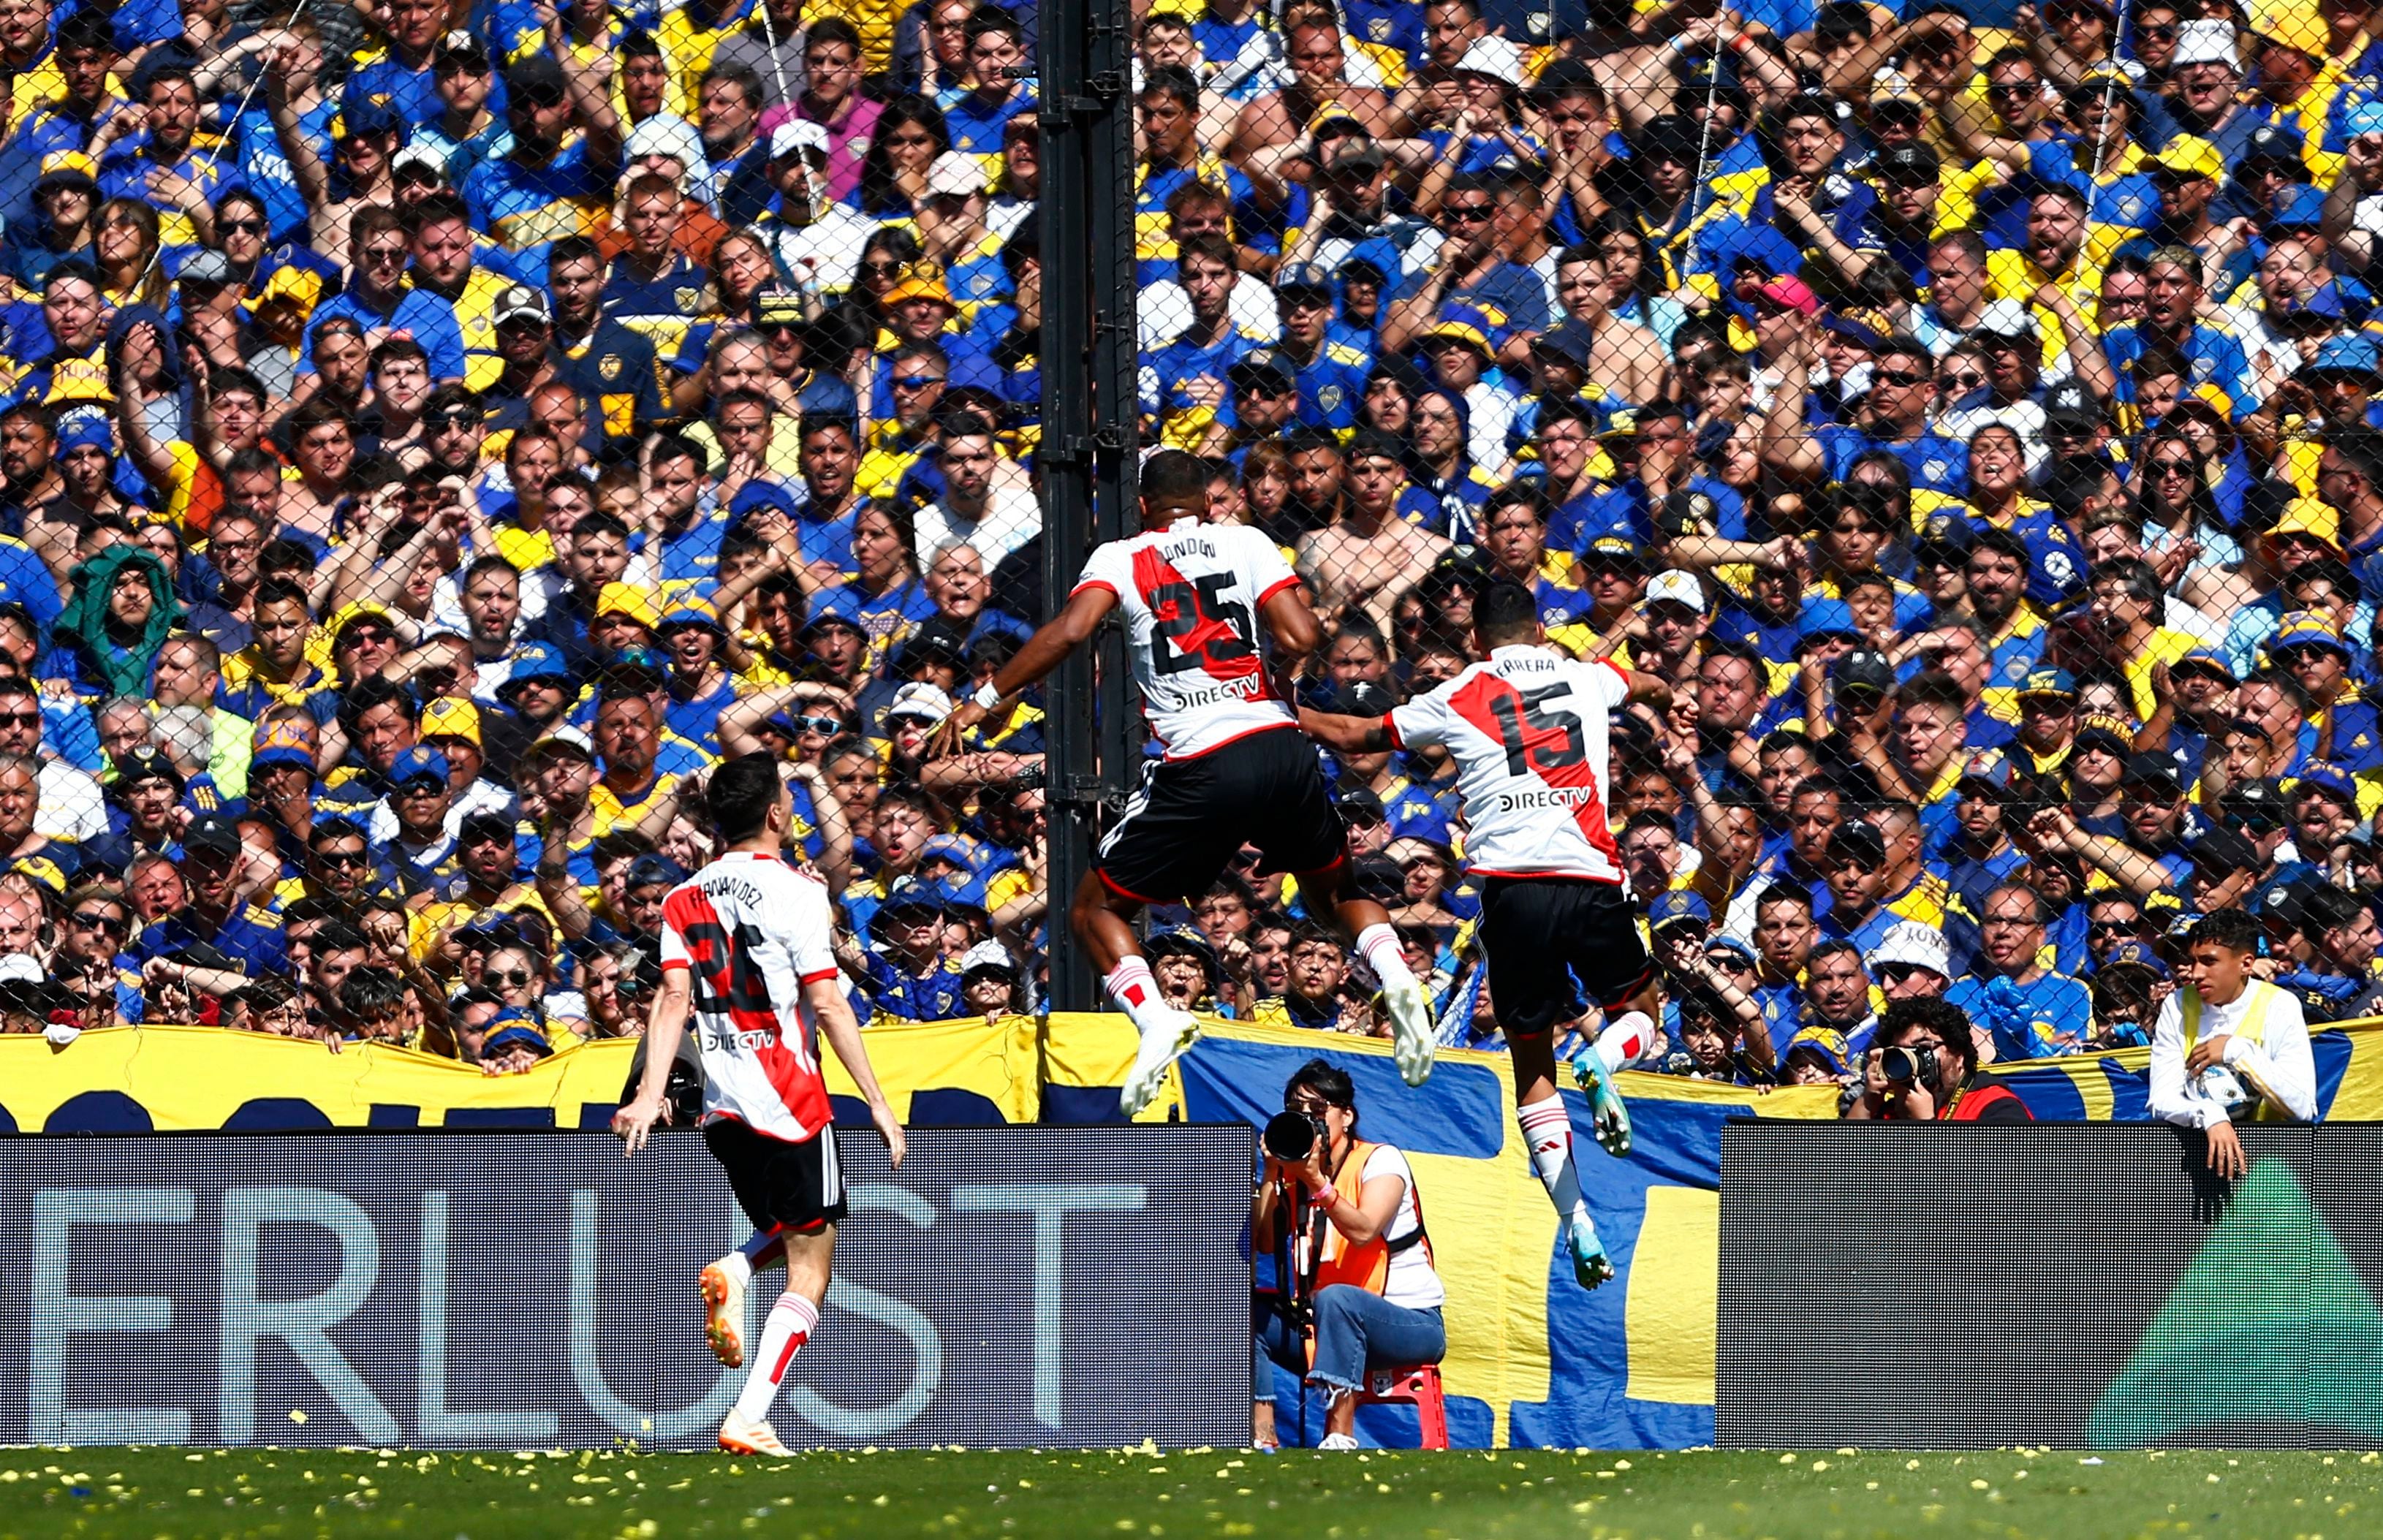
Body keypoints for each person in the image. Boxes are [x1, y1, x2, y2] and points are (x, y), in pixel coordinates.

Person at [929, 449, 1434, 1113]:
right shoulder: (1245, 539)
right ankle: (1395, 972)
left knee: (1092, 910)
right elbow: (1303, 631)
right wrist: (1276, 670)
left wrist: (986, 696)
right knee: (1331, 892)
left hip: (1202, 757)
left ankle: (1154, 1018)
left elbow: (1073, 630)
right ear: (1209, 503)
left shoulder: (1121, 555)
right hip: (1280, 743)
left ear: (1143, 506)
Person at [1296, 576, 1670, 1286]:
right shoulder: (1583, 677)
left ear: (1475, 640)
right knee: (1640, 1012)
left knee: (1532, 1071)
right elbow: (1638, 680)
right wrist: (1656, 690)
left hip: (1511, 895)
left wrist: (1294, 716)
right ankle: (1605, 1060)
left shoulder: (1460, 690)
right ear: (1538, 632)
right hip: (1588, 879)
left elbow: (1355, 732)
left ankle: (1574, 1220)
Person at [610, 751, 907, 1458]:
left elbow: (672, 999)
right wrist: (876, 1100)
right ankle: (749, 1413)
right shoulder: (799, 892)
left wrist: (652, 1094)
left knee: (794, 1226)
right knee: (813, 1262)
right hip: (791, 1096)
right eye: (788, 796)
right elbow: (829, 1003)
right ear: (776, 812)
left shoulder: (681, 897)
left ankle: (739, 1268)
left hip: (723, 1106)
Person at [1250, 1057, 1445, 1452]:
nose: (1308, 1121)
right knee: (1236, 1307)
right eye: (1296, 1112)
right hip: (1324, 1324)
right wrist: (1272, 1173)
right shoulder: (1294, 1172)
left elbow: (1362, 1230)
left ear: (1347, 1116)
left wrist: (1317, 1181)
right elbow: (1266, 1243)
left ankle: (1339, 1435)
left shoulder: (1380, 1161)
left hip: (1408, 1324)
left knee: (1337, 1298)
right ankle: (1262, 1436)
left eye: (1318, 1111)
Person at [2146, 906, 2319, 1178]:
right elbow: (2161, 1099)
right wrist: (2210, 1114)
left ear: (2246, 964)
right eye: (2193, 961)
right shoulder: (2177, 1004)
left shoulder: (2280, 1006)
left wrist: (2238, 1052)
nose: (2196, 973)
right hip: (2195, 1161)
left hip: (2268, 1164)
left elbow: (2302, 1108)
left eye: (2209, 962)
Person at [1845, 995, 2035, 1122]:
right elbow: (1836, 1169)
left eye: (1923, 1048)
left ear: (1958, 1054)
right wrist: (1868, 1102)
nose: (1911, 1059)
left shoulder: (1995, 1106)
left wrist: (1926, 1122)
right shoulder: (1892, 1109)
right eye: (1900, 1052)